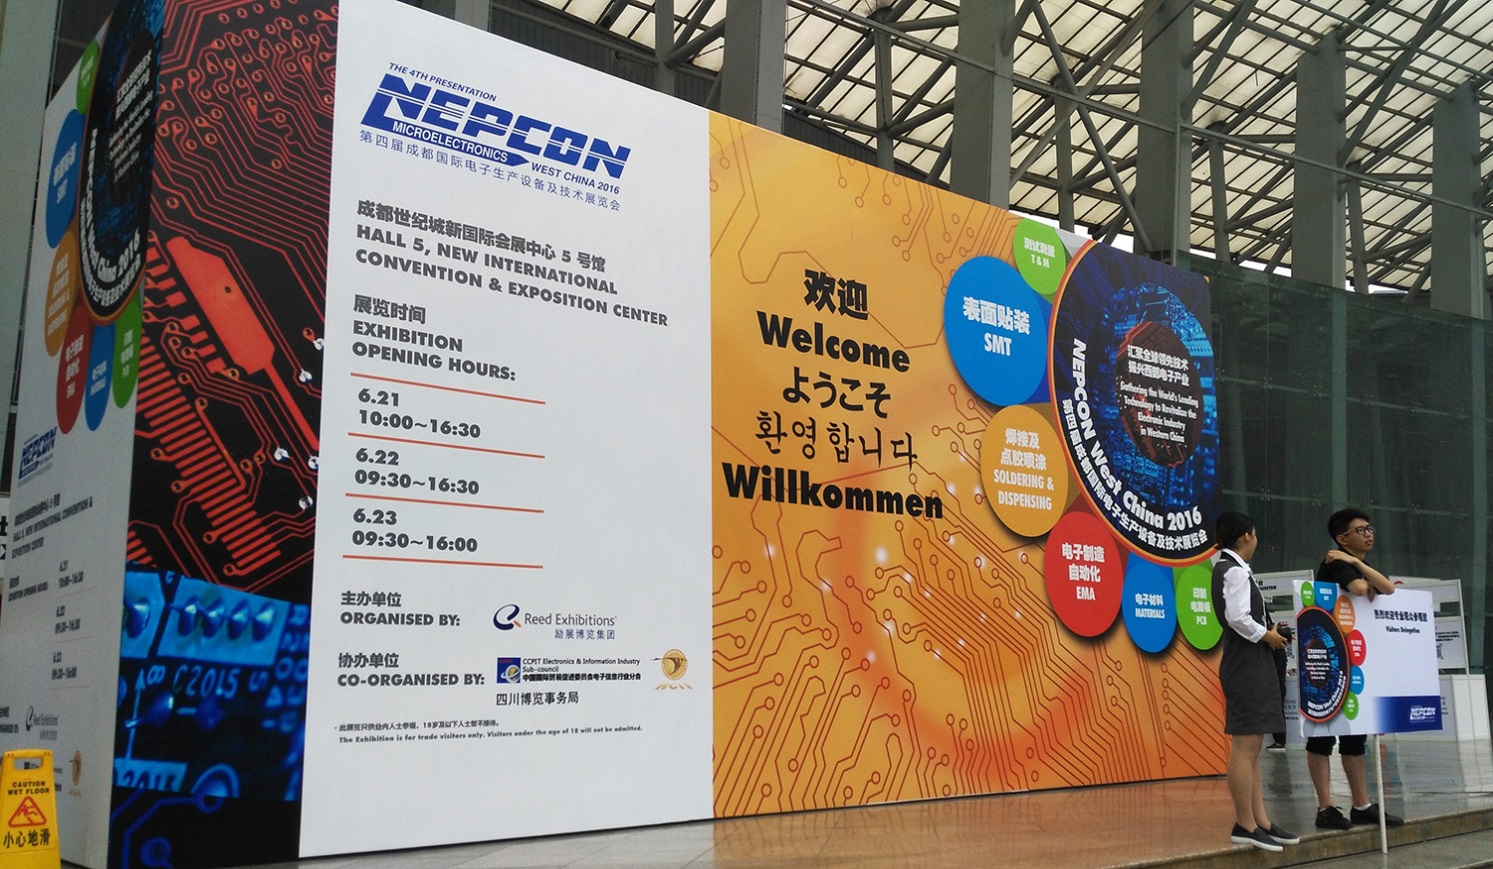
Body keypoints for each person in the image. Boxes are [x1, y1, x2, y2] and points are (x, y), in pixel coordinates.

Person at [1307, 507, 1405, 830]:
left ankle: (1361, 805)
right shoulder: (1335, 563)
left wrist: (1359, 565)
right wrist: (1357, 569)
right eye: (1360, 530)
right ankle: (1325, 808)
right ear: (1342, 538)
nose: (1369, 534)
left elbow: (1388, 588)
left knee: (1355, 735)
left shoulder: (1353, 563)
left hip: (1353, 659)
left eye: (1370, 528)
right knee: (1322, 737)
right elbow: (1363, 590)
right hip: (1325, 658)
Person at [1211, 511, 1299, 852]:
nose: (1257, 539)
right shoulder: (1232, 571)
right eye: (1256, 533)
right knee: (1245, 748)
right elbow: (1238, 618)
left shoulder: (1233, 569)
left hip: (1250, 660)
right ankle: (1245, 824)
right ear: (1246, 535)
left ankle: (1260, 820)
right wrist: (1268, 636)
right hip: (1245, 662)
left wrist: (1268, 635)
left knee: (1252, 749)